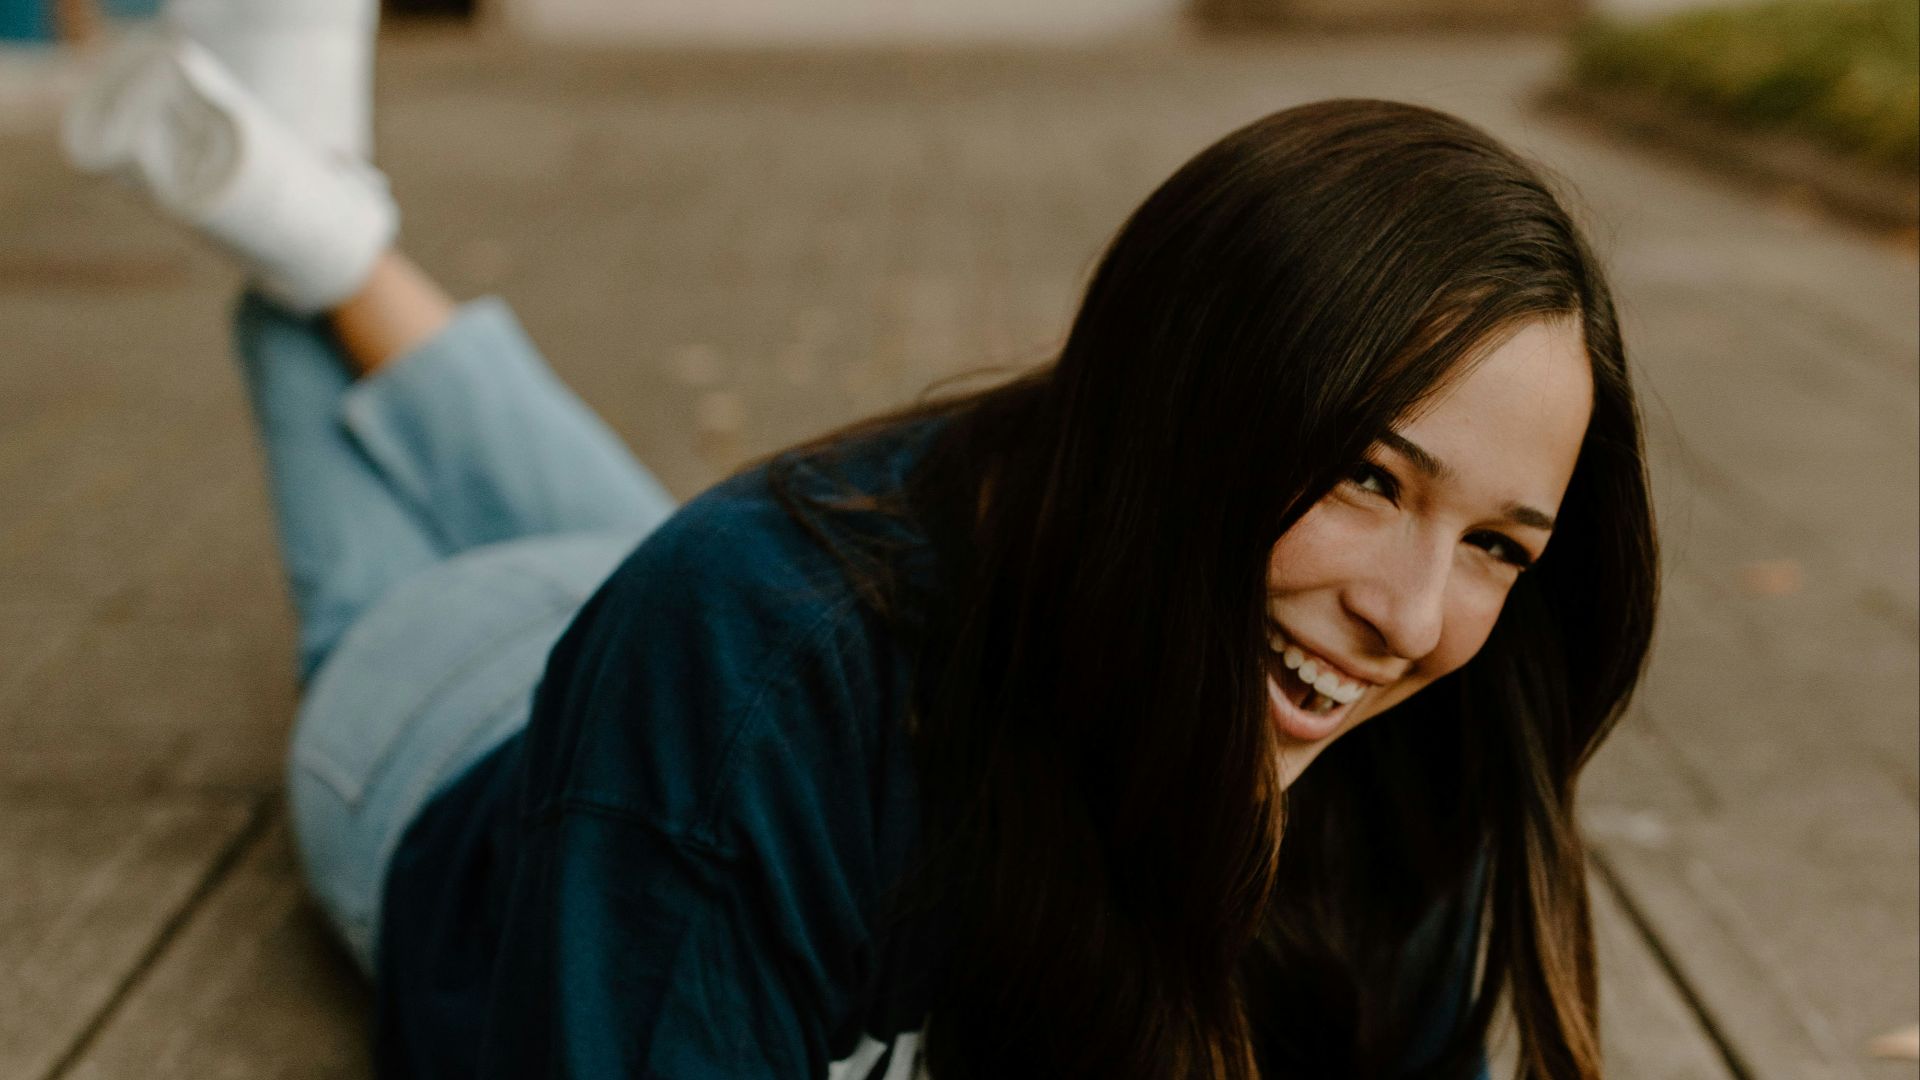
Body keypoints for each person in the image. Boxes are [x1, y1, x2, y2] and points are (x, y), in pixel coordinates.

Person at [62, 6, 1658, 1077]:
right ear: (1187, 416)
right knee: (482, 596)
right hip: (446, 738)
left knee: (693, 575)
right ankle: (306, 220)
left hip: (702, 627)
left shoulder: (1419, 749)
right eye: (1369, 478)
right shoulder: (750, 670)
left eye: (1501, 546)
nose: (1411, 613)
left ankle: (305, 211)